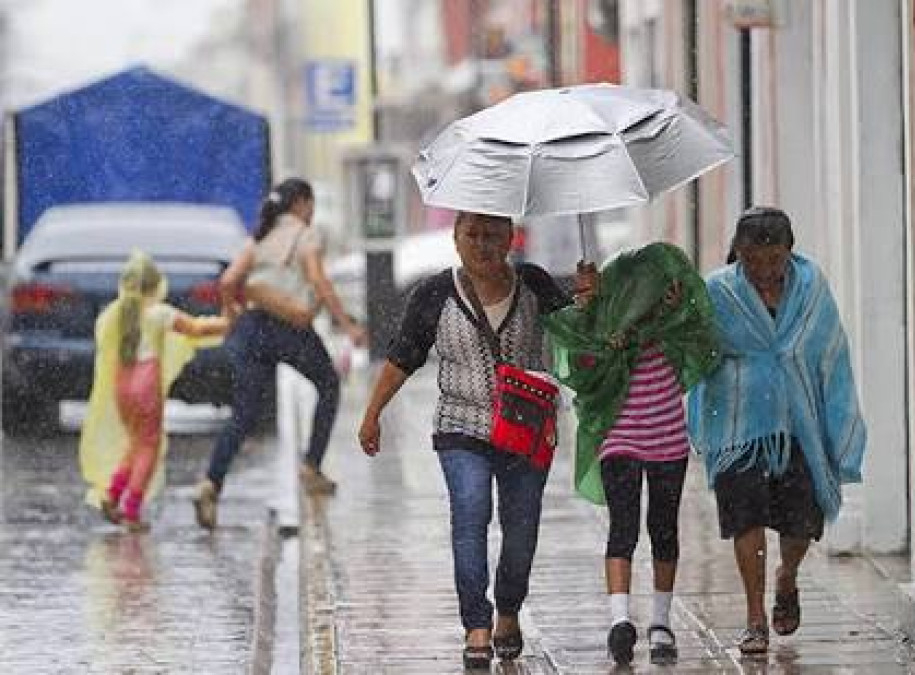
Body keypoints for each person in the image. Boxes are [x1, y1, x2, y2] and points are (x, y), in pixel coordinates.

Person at [357, 211, 596, 671]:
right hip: (460, 427)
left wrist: (587, 301)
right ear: (455, 238)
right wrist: (372, 414)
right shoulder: (433, 294)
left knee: (521, 525)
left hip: (526, 430)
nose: (482, 245)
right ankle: (476, 624)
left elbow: (576, 335)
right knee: (470, 514)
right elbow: (403, 355)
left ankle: (508, 608)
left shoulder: (534, 284)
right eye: (472, 235)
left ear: (511, 238)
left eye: (492, 235)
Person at [687, 206, 867, 655]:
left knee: (801, 521)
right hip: (737, 429)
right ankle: (754, 617)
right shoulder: (717, 292)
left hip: (798, 422)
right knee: (745, 519)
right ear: (739, 254)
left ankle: (787, 576)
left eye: (774, 259)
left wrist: (838, 425)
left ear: (789, 251)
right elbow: (693, 353)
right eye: (753, 260)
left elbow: (832, 354)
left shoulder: (811, 289)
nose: (765, 271)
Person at [543, 242, 720, 666]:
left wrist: (675, 307)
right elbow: (576, 359)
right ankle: (620, 621)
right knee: (624, 528)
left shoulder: (673, 322)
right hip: (620, 438)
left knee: (663, 528)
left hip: (668, 442)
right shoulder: (602, 322)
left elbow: (703, 335)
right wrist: (586, 304)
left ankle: (660, 622)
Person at [194, 177, 366, 530]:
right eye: (311, 204)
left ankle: (211, 482)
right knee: (329, 385)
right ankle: (311, 466)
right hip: (291, 330)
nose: (312, 212)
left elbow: (228, 281)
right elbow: (319, 282)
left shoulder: (258, 238)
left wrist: (231, 316)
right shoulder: (305, 235)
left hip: (253, 327)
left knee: (243, 414)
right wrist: (347, 324)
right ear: (302, 203)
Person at [80, 250, 230, 532]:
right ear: (155, 286)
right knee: (150, 446)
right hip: (147, 384)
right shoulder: (160, 313)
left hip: (122, 382)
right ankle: (132, 510)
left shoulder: (116, 314)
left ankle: (112, 495)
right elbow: (196, 329)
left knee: (135, 443)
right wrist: (227, 323)